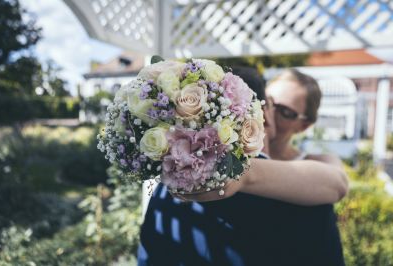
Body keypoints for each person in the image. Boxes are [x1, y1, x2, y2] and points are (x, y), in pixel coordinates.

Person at [138, 67, 347, 266]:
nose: (274, 114)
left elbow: (338, 182)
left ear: (304, 125)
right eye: (272, 102)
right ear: (263, 111)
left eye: (286, 111)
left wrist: (241, 173)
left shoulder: (311, 184)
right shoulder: (310, 206)